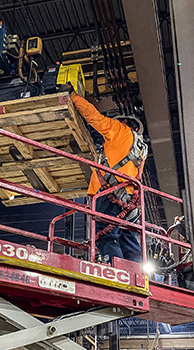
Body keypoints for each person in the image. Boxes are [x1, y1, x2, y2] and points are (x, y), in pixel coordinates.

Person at [61, 82, 147, 263]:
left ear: (124, 122)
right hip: (130, 201)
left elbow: (95, 118)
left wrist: (73, 95)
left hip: (110, 195)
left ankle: (115, 270)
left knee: (106, 235)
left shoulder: (118, 130)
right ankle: (136, 274)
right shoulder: (141, 149)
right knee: (128, 239)